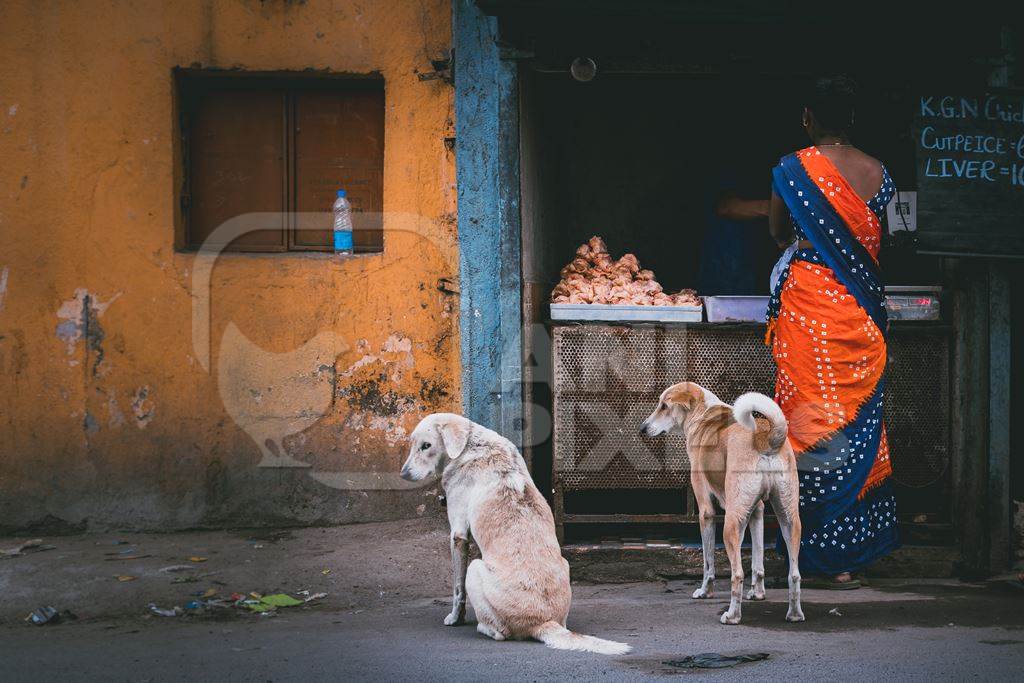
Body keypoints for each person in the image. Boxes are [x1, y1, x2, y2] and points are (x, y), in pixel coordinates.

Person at [765, 76, 899, 589]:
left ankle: (805, 549)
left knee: (805, 425)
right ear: (853, 118)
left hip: (808, 311)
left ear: (808, 117)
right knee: (855, 424)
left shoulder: (791, 169)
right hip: (861, 317)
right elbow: (879, 239)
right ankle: (847, 556)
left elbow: (779, 232)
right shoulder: (878, 173)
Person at [697, 170, 774, 296]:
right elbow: (725, 207)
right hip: (727, 264)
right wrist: (782, 208)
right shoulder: (731, 170)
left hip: (760, 258)